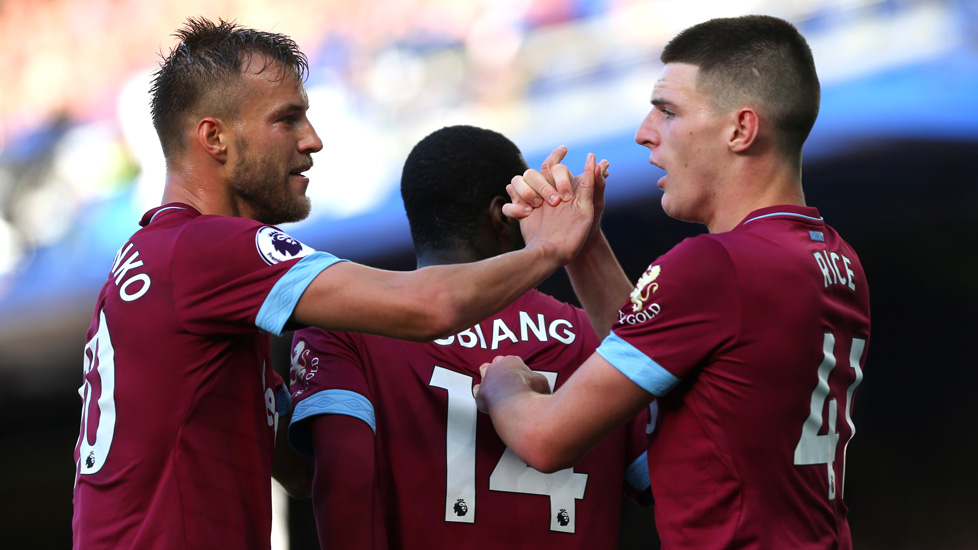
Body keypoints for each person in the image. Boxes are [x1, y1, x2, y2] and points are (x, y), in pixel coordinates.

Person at [71, 18, 594, 550]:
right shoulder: (207, 249)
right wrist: (549, 248)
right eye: (287, 119)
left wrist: (388, 398)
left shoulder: (153, 266)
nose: (312, 140)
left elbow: (299, 471)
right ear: (215, 138)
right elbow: (431, 306)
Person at [475, 15, 871, 549]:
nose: (644, 132)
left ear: (740, 129)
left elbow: (545, 440)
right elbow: (664, 348)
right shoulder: (838, 259)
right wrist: (582, 245)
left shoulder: (714, 266)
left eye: (667, 111)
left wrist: (504, 387)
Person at [286, 125, 651, 549]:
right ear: (502, 215)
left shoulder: (345, 331)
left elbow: (346, 496)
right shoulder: (599, 338)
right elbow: (669, 484)